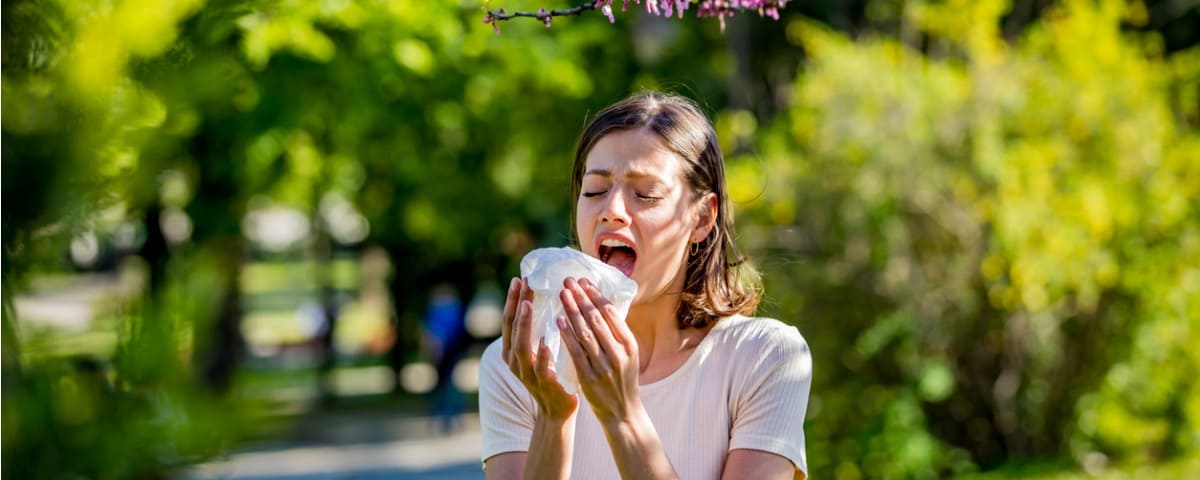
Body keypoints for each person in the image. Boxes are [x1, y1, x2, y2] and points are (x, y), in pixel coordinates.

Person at [479, 92, 813, 479]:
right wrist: (553, 417)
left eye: (646, 195)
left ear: (703, 218)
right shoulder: (518, 368)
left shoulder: (764, 358)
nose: (611, 211)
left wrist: (623, 414)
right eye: (594, 191)